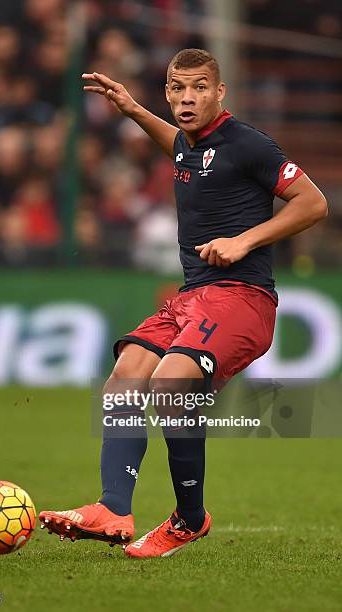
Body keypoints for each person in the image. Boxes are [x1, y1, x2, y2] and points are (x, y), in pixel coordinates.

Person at [39, 49, 328, 558]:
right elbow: (175, 145)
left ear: (221, 92)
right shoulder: (186, 144)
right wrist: (133, 111)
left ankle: (189, 519)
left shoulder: (249, 144)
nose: (187, 97)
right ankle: (113, 508)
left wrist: (246, 241)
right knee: (127, 375)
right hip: (192, 297)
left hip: (243, 298)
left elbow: (314, 202)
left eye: (198, 87)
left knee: (171, 382)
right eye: (177, 88)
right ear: (167, 92)